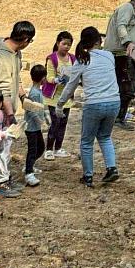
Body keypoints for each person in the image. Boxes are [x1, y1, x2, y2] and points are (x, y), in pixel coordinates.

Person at [56, 26, 120, 187]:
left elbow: (71, 85)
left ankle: (88, 176)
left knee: (86, 141)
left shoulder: (82, 60)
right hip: (114, 102)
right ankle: (111, 168)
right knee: (105, 137)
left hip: (94, 104)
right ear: (99, 41)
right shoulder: (109, 56)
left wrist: (60, 105)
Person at [0, 21, 36, 196]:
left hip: (4, 106)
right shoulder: (2, 59)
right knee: (0, 145)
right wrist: (10, 114)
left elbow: (16, 78)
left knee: (2, 146)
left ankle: (1, 177)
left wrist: (22, 97)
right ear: (25, 39)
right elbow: (3, 90)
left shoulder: (14, 52)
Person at [103, 0, 135, 130]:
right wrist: (128, 42)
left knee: (127, 87)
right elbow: (121, 26)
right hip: (119, 54)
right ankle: (118, 118)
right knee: (126, 88)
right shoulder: (127, 8)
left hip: (126, 54)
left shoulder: (134, 12)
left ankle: (117, 116)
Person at [42, 31, 75, 160]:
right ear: (57, 43)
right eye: (64, 44)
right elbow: (49, 76)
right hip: (54, 97)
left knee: (63, 124)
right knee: (55, 123)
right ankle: (49, 149)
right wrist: (56, 80)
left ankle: (58, 148)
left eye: (69, 44)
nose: (66, 47)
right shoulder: (52, 59)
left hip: (66, 97)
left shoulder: (73, 59)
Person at [24, 64, 50, 187]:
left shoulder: (37, 91)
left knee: (40, 147)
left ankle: (30, 165)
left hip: (36, 127)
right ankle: (28, 172)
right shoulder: (34, 93)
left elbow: (41, 107)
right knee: (33, 149)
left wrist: (45, 116)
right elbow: (31, 110)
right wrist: (40, 121)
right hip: (31, 127)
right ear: (43, 78)